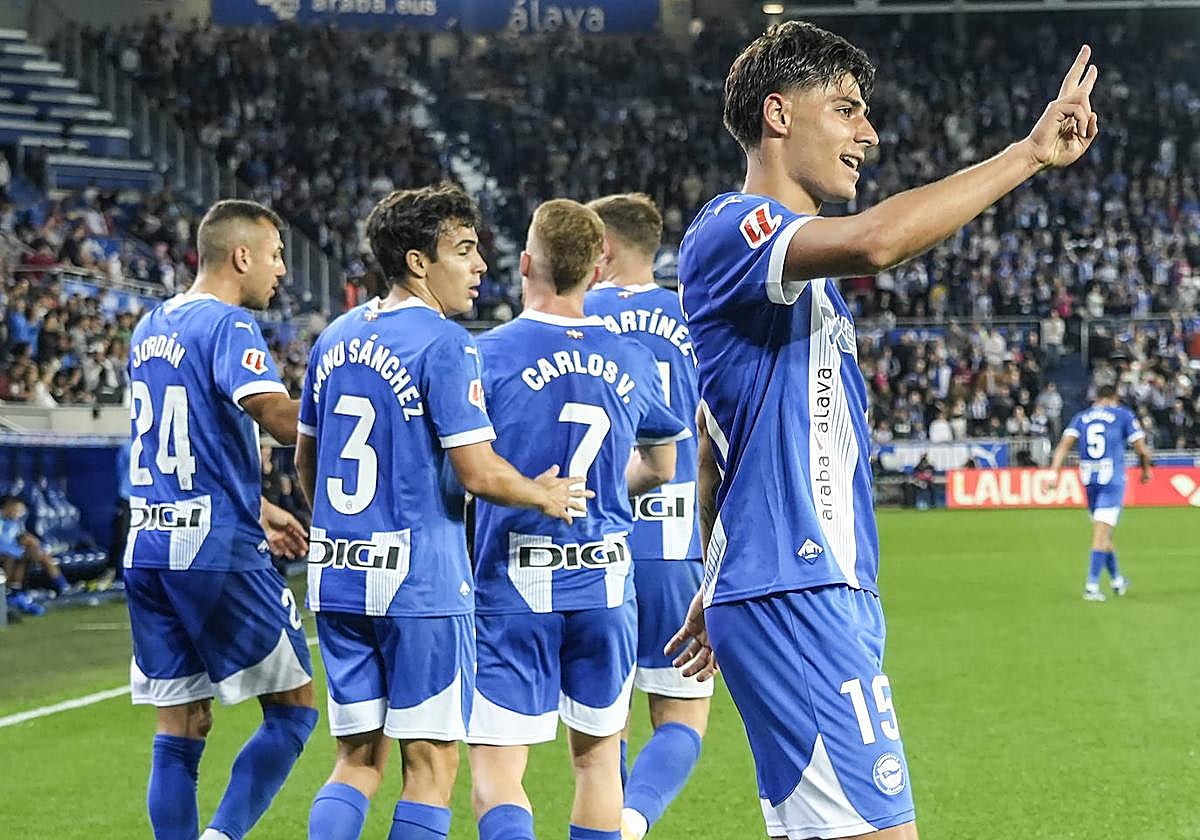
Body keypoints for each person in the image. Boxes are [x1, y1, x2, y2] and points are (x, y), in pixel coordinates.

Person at [668, 20, 1101, 839]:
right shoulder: (735, 225)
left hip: (799, 585)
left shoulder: (794, 284)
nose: (867, 132)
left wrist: (719, 571)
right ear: (778, 114)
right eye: (846, 108)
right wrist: (1028, 155)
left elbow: (710, 436)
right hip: (799, 588)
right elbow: (880, 242)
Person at [296, 185, 589, 840]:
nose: (481, 265)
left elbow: (304, 463)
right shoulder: (445, 344)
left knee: (356, 760)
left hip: (338, 574)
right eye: (463, 250)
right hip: (420, 584)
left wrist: (342, 535)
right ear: (418, 262)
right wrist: (546, 494)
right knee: (430, 765)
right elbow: (479, 474)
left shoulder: (334, 338)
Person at [467, 199, 688, 840]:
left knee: (499, 770)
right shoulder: (630, 357)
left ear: (527, 263)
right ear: (596, 272)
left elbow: (466, 471)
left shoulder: (488, 353)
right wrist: (593, 495)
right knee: (597, 764)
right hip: (606, 583)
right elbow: (663, 465)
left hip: (514, 579)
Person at [123, 199, 318, 840]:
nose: (281, 270)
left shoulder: (150, 325)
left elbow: (177, 445)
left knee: (181, 724)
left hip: (150, 544)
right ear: (241, 256)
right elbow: (277, 415)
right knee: (293, 713)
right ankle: (222, 836)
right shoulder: (230, 326)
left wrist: (257, 504)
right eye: (276, 254)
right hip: (214, 551)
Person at [583, 193, 709, 840]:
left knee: (606, 727)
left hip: (596, 542)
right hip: (677, 540)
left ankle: (609, 828)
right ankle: (630, 825)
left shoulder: (578, 315)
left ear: (600, 250)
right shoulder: (696, 313)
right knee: (683, 721)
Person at [1046, 384, 1152, 601]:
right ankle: (1091, 586)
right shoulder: (1122, 414)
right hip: (1111, 480)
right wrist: (1146, 469)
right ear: (1114, 397)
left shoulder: (1081, 417)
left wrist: (1053, 472)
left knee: (1104, 533)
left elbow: (1064, 445)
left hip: (1089, 481)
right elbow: (1141, 447)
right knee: (1101, 534)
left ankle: (1117, 580)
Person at [0, 495, 69, 616]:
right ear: (7, 508)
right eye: (16, 510)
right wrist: (18, 551)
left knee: (34, 549)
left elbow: (17, 538)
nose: (19, 514)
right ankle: (14, 594)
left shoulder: (14, 523)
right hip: (4, 555)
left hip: (12, 553)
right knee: (13, 557)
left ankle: (63, 587)